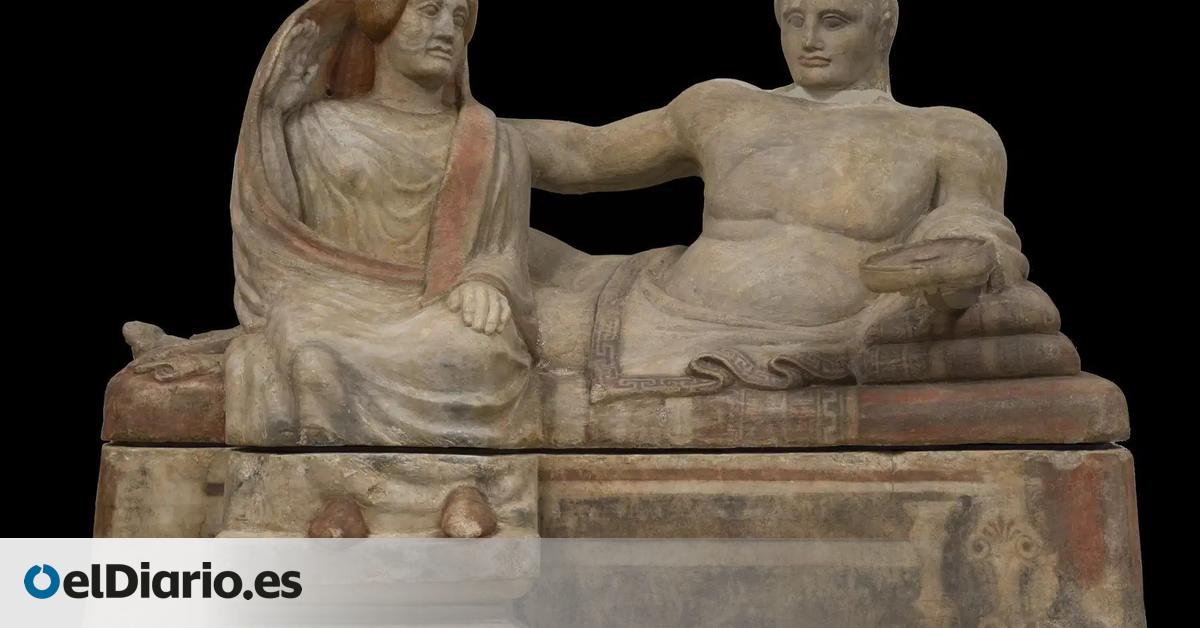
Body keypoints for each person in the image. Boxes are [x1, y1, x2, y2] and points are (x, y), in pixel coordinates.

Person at [512, 0, 1065, 399]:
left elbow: (972, 224)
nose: (809, 40)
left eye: (834, 21)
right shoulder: (723, 106)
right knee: (495, 272)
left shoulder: (949, 133)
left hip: (827, 333)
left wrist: (957, 258)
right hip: (658, 314)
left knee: (1020, 322)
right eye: (794, 20)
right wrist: (470, 129)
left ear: (885, 24)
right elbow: (583, 155)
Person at [220, 0, 540, 446]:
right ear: (381, 19)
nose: (447, 31)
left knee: (483, 352)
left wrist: (485, 280)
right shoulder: (322, 125)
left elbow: (503, 249)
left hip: (438, 311)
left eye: (459, 19)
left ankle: (455, 482)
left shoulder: (493, 142)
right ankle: (328, 468)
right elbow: (277, 227)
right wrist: (272, 116)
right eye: (430, 11)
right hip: (334, 303)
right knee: (305, 339)